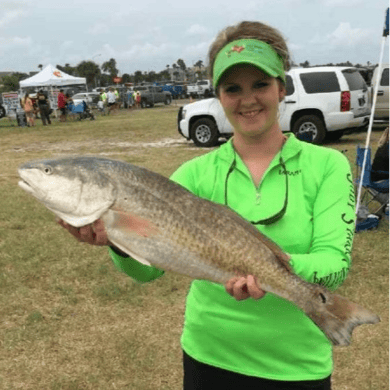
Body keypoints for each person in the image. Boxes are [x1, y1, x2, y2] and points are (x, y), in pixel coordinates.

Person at [58, 21, 356, 390]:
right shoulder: (194, 174)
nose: (247, 100)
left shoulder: (327, 166)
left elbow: (335, 265)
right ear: (218, 95)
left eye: (260, 84)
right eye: (233, 88)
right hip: (209, 358)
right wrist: (114, 241)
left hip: (297, 368)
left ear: (282, 88)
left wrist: (269, 267)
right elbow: (148, 272)